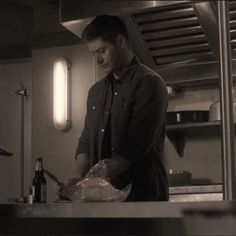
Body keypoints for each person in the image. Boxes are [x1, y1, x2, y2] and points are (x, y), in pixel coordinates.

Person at [74, 15, 168, 201]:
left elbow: (137, 143)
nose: (97, 59)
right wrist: (78, 181)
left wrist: (94, 179)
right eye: (93, 53)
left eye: (101, 50)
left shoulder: (149, 83)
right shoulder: (96, 91)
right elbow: (86, 140)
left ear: (121, 41)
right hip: (102, 199)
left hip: (142, 197)